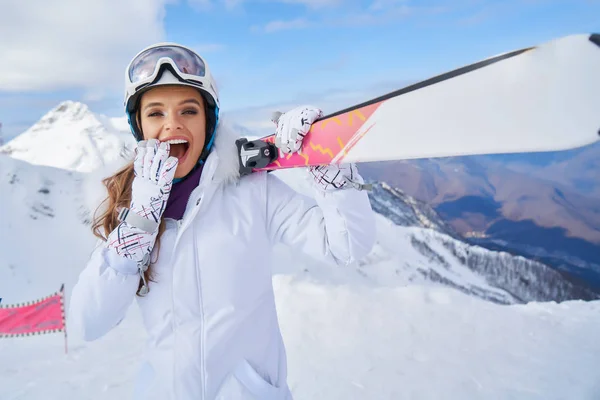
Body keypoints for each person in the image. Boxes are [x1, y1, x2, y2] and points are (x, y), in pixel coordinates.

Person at [69, 42, 377, 400]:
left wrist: (328, 167)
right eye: (155, 113)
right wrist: (141, 220)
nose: (173, 125)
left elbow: (348, 246)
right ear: (139, 126)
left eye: (189, 110)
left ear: (209, 120)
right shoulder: (126, 207)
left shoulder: (252, 191)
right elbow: (88, 323)